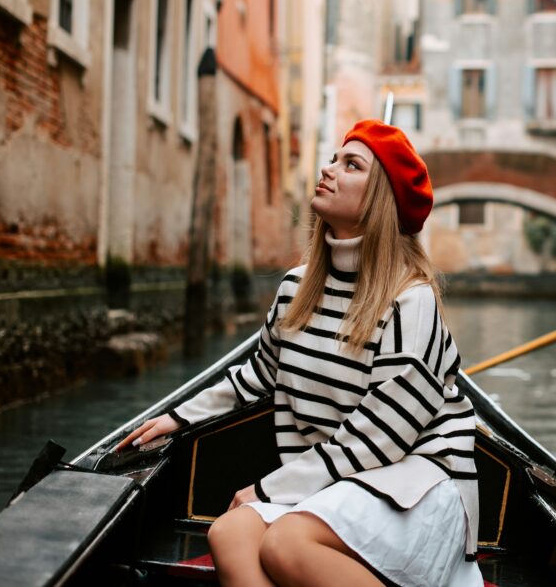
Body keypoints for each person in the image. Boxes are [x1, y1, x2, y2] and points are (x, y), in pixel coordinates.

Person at [116, 120, 482, 587]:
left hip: (414, 483)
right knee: (229, 533)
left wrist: (267, 489)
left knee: (286, 541)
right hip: (338, 481)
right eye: (334, 158)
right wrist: (179, 417)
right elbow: (259, 375)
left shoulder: (411, 300)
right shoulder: (297, 288)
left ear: (381, 200)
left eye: (351, 164)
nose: (328, 169)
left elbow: (379, 439)